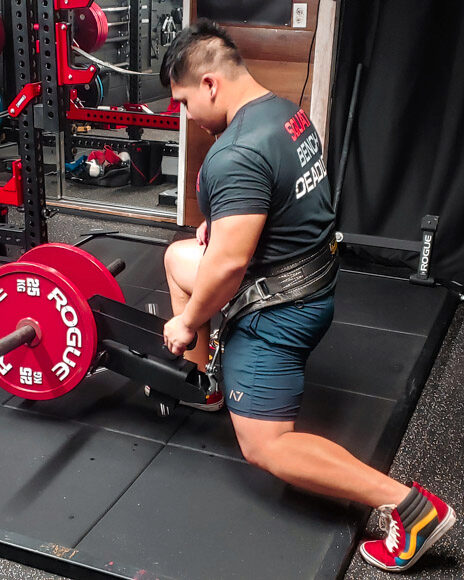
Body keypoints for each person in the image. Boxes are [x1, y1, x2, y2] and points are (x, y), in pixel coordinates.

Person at [159, 20, 455, 572]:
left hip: (279, 311)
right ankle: (208, 388)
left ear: (210, 85)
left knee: (266, 448)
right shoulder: (283, 114)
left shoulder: (235, 152)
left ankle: (412, 508)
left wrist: (187, 323)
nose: (187, 117)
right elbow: (281, 205)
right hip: (314, 280)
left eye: (183, 101)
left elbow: (228, 266)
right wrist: (221, 224)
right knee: (178, 257)